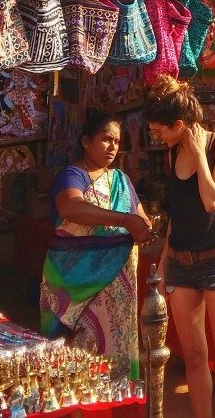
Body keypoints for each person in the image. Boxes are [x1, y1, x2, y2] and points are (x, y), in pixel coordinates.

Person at [145, 76, 215, 418]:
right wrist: (163, 266)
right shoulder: (171, 153)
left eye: (161, 130)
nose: (157, 136)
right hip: (181, 263)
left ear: (179, 124)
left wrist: (199, 156)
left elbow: (211, 200)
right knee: (193, 357)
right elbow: (177, 217)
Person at [40, 110, 153, 376]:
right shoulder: (72, 175)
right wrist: (125, 222)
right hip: (72, 282)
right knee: (76, 361)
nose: (113, 146)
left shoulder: (122, 181)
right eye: (105, 139)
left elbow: (141, 219)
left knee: (113, 352)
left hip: (115, 288)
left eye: (116, 140)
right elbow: (71, 206)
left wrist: (144, 227)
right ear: (86, 142)